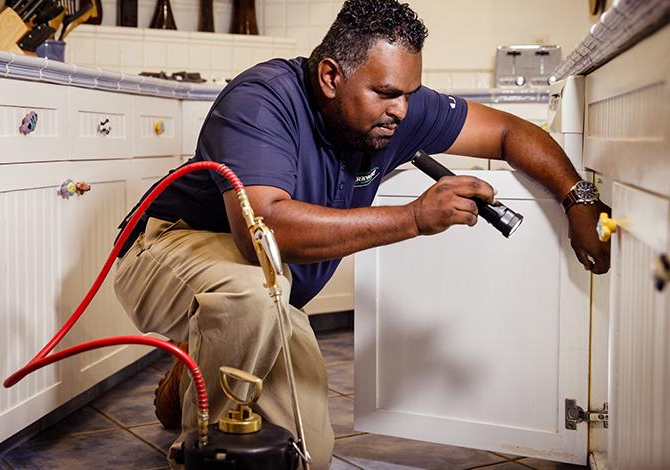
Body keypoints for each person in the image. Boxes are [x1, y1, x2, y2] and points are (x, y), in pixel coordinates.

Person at [114, 0, 610, 468]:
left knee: (310, 450)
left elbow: (508, 133)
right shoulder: (262, 100)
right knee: (252, 301)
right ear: (331, 76)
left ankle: (204, 360)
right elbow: (260, 230)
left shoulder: (393, 113)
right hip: (163, 245)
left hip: (266, 287)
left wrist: (578, 198)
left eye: (408, 95)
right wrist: (414, 218)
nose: (401, 110)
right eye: (387, 94)